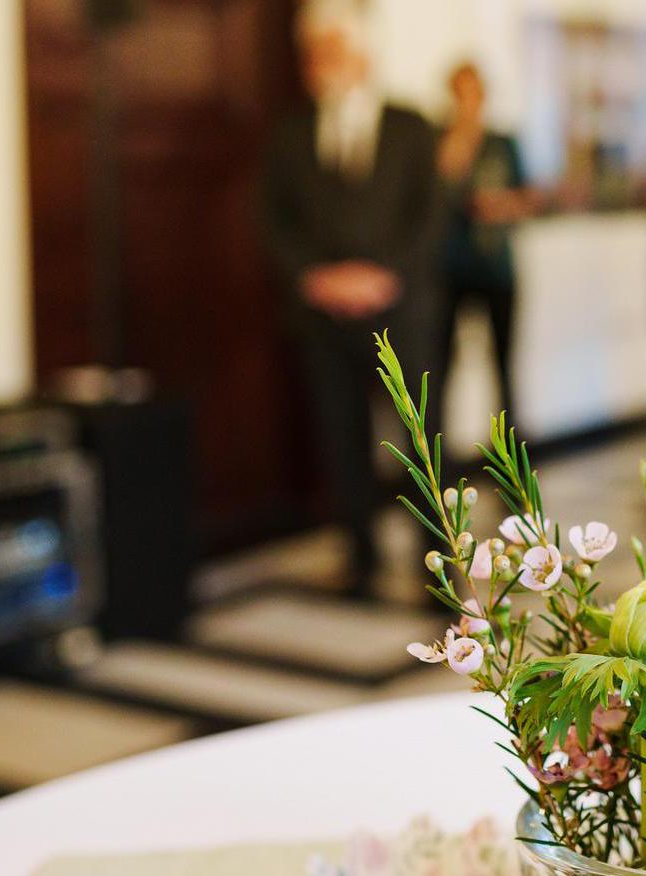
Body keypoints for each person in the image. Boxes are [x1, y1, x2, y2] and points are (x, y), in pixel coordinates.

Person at [260, 1, 442, 600]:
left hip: (401, 311)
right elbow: (273, 219)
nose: (320, 63)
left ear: (363, 53)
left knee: (417, 437)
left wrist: (385, 277)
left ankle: (433, 559)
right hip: (322, 315)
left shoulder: (411, 127)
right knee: (341, 436)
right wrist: (315, 278)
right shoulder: (291, 132)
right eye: (313, 51)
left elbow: (430, 215)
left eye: (332, 48)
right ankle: (359, 554)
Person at [436, 62, 536, 418]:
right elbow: (433, 195)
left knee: (505, 368)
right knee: (438, 370)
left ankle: (509, 460)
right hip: (450, 269)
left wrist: (502, 206)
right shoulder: (439, 141)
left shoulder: (502, 143)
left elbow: (526, 199)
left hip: (495, 268)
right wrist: (457, 142)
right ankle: (436, 463)